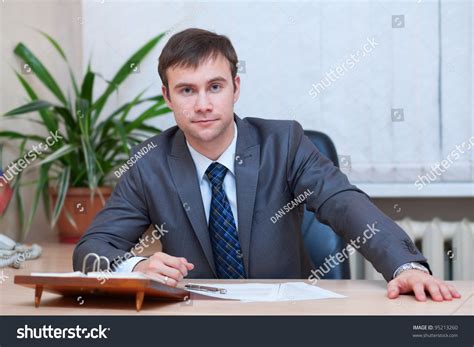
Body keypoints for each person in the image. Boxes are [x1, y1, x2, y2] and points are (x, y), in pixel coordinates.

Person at [73, 28, 460, 302]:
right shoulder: (149, 163)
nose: (203, 104)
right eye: (187, 90)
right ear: (167, 97)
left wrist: (405, 266)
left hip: (286, 317)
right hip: (196, 319)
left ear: (236, 89)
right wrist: (135, 267)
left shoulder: (283, 144)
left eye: (215, 86)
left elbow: (344, 203)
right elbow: (91, 248)